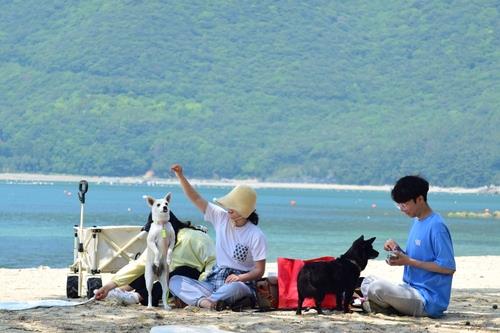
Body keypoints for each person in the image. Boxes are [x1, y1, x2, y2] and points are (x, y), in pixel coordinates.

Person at [169, 164, 267, 310]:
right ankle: (209, 303)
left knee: (235, 288)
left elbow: (259, 270)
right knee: (175, 281)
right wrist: (180, 176)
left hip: (240, 283)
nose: (228, 210)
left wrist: (240, 278)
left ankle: (203, 301)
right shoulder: (221, 217)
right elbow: (196, 198)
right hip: (214, 281)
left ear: (244, 211)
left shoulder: (256, 234)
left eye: (232, 207)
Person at [360, 175, 456, 317]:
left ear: (420, 199)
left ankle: (387, 307)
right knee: (366, 281)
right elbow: (415, 259)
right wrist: (398, 252)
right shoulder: (417, 221)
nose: (401, 209)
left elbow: (448, 267)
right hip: (409, 289)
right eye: (399, 205)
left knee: (377, 287)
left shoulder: (437, 226)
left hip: (427, 300)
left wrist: (408, 261)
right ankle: (388, 306)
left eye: (404, 205)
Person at [94, 211, 216, 307]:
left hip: (194, 282)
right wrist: (108, 286)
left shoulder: (196, 238)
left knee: (180, 271)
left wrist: (194, 291)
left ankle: (137, 297)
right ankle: (120, 291)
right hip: (170, 282)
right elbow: (139, 265)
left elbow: (213, 264)